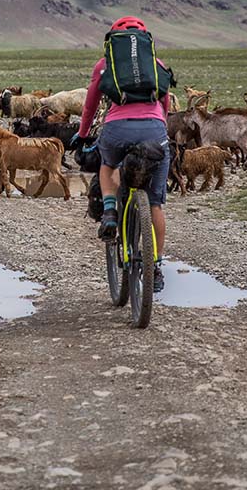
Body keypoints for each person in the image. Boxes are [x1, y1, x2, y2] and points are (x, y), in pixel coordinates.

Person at [75, 15, 171, 291]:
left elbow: (90, 105)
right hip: (154, 130)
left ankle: (108, 213)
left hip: (117, 129)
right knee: (154, 204)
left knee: (107, 164)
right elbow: (165, 105)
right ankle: (156, 266)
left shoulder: (105, 65)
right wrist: (156, 129)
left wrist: (82, 135)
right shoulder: (156, 64)